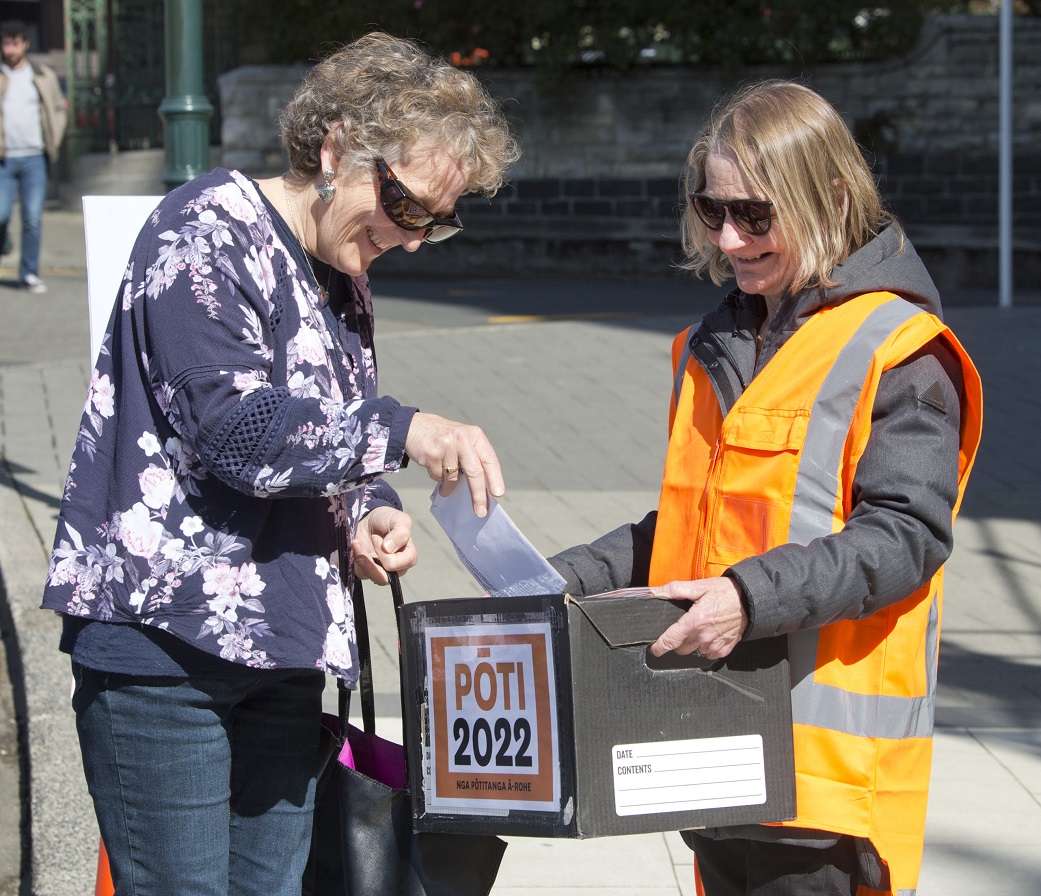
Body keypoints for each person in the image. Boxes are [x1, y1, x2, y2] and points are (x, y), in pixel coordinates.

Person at [41, 32, 519, 896]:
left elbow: (320, 425)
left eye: (434, 224)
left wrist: (366, 506)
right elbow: (235, 430)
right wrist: (406, 430)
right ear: (335, 149)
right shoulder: (201, 229)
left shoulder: (340, 269)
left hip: (285, 645)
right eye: (406, 207)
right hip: (166, 652)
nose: (412, 239)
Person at [548, 80, 983, 896]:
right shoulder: (713, 344)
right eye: (710, 210)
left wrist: (744, 601)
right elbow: (690, 522)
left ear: (829, 196)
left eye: (754, 214)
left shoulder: (901, 349)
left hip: (823, 784)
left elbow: (905, 537)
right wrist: (556, 582)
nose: (727, 237)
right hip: (713, 755)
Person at [0, 18, 66, 294]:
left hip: (34, 158)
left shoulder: (42, 74)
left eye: (15, 44)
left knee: (32, 217)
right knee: (1, 214)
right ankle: (5, 243)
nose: (10, 49)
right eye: (5, 44)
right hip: (4, 159)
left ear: (25, 44)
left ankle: (28, 273)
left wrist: (55, 138)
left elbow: (57, 109)